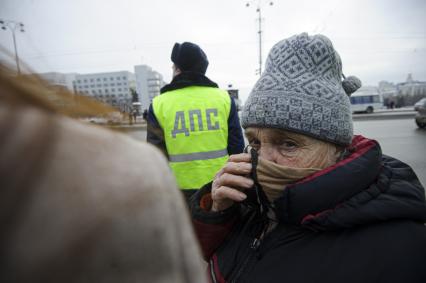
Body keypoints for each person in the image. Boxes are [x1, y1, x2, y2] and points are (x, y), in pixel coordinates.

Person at [190, 33, 426, 283]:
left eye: (289, 144)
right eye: (255, 142)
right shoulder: (251, 202)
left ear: (338, 148)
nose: (264, 160)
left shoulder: (399, 249)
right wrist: (219, 214)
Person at [0, 64, 206, 283]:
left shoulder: (160, 104)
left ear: (177, 68)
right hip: (214, 185)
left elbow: (157, 146)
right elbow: (234, 144)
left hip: (180, 183)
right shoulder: (135, 165)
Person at [147, 42, 244, 200]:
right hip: (221, 184)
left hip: (178, 189)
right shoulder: (224, 99)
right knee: (220, 225)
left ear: (178, 69)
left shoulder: (159, 104)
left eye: (173, 67)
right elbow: (236, 147)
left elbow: (156, 155)